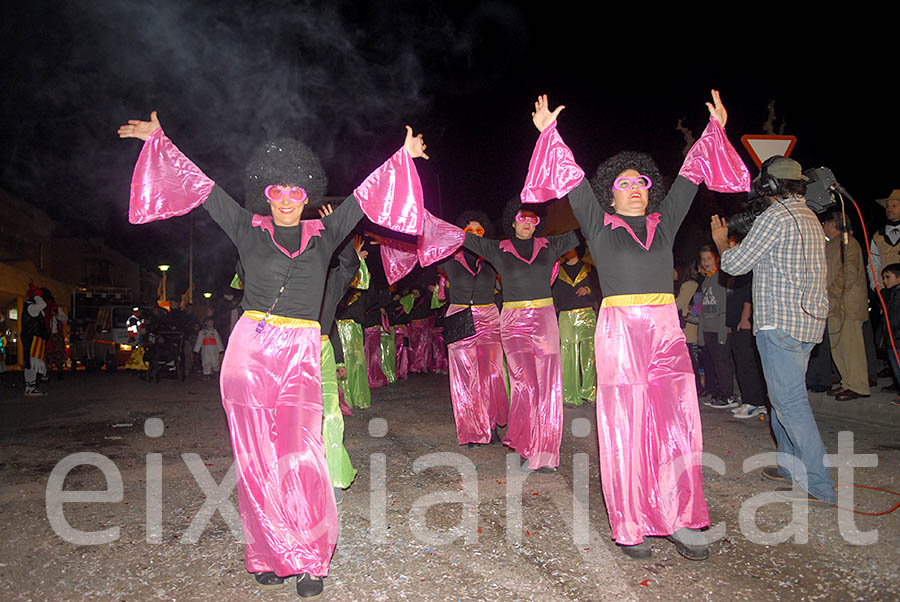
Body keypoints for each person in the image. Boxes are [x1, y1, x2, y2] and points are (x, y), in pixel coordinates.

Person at [118, 111, 428, 599]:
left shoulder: (326, 234)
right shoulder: (247, 226)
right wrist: (160, 141)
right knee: (255, 458)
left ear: (308, 196)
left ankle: (308, 557)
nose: (286, 200)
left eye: (296, 192)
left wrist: (402, 157)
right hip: (249, 350)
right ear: (267, 193)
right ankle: (266, 551)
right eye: (277, 192)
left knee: (301, 453)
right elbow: (201, 188)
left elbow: (367, 196)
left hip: (302, 350)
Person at [523, 90, 749, 559]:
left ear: (650, 189)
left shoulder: (664, 224)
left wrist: (715, 131)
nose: (633, 187)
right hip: (621, 331)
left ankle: (682, 518)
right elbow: (572, 180)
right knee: (625, 427)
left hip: (666, 331)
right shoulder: (599, 225)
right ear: (612, 192)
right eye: (624, 182)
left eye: (641, 181)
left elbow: (690, 174)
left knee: (678, 425)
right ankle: (631, 523)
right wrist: (549, 132)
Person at [711, 155, 835, 507]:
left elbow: (735, 264)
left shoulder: (777, 216)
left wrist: (722, 241)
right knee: (782, 398)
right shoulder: (809, 214)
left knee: (790, 403)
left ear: (768, 187)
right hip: (807, 322)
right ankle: (788, 465)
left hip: (780, 323)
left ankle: (819, 484)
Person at [457, 198, 578, 473]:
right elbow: (459, 236)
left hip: (545, 320)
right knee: (524, 385)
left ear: (538, 224)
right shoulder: (498, 249)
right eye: (521, 218)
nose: (527, 223)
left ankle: (546, 451)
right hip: (513, 323)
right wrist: (422, 216)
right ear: (512, 221)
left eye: (532, 219)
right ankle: (526, 445)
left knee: (548, 387)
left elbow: (587, 226)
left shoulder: (551, 246)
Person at [436, 210, 509, 447]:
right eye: (470, 231)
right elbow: (425, 248)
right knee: (465, 378)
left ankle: (490, 426)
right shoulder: (449, 260)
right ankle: (472, 431)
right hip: (459, 317)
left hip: (489, 317)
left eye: (480, 231)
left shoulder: (492, 261)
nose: (475, 235)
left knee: (492, 375)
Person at [820, 211, 870, 400]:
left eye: (825, 222)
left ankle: (858, 385)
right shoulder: (831, 244)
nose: (823, 225)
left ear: (834, 224)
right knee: (838, 347)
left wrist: (832, 290)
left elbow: (849, 272)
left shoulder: (848, 242)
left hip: (847, 305)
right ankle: (847, 382)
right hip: (833, 305)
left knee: (851, 347)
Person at [551, 246, 599, 405]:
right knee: (567, 355)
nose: (568, 249)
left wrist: (588, 289)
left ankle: (590, 392)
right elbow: (554, 294)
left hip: (586, 314)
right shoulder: (558, 270)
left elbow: (599, 289)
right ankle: (569, 395)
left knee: (589, 354)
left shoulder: (589, 268)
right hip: (566, 315)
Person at [697, 244, 737, 408]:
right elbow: (703, 311)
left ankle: (729, 395)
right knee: (714, 363)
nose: (706, 262)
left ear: (716, 259)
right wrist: (701, 334)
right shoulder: (705, 282)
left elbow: (723, 306)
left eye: (709, 258)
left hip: (718, 329)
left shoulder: (721, 278)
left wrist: (722, 330)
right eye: (703, 259)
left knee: (723, 363)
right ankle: (720, 392)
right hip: (708, 329)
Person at [867, 189, 900, 290]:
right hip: (886, 290)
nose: (889, 209)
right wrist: (877, 288)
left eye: (894, 206)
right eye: (887, 206)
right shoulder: (878, 236)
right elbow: (873, 264)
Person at [22, 285, 50, 397]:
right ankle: (30, 387)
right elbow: (43, 305)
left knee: (31, 364)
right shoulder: (31, 307)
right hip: (32, 339)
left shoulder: (31, 307)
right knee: (32, 364)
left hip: (34, 339)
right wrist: (37, 295)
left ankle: (30, 387)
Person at [878, 263, 900, 405]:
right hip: (892, 339)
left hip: (897, 337)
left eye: (888, 277)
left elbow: (895, 318)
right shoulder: (890, 294)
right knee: (896, 369)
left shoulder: (897, 295)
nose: (885, 281)